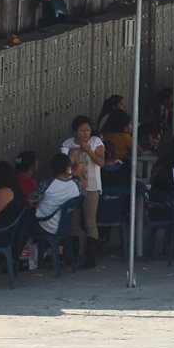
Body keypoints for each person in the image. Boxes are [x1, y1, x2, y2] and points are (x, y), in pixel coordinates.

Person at [61, 115, 105, 268]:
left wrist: (87, 149)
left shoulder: (95, 142)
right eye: (82, 130)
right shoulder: (67, 144)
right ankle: (73, 254)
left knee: (89, 221)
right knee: (73, 221)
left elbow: (101, 162)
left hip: (91, 186)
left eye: (88, 130)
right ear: (75, 131)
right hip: (72, 186)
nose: (86, 133)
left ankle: (90, 257)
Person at [31, 153, 82, 238]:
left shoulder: (47, 184)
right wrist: (77, 173)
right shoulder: (76, 184)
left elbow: (30, 200)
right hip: (66, 226)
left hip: (45, 226)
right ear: (67, 168)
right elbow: (82, 198)